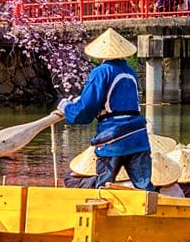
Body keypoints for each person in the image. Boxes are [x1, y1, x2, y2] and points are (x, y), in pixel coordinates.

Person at [61, 28, 153, 190]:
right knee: (144, 187)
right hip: (138, 135)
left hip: (113, 136)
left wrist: (67, 108)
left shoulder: (101, 72)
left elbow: (87, 107)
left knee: (104, 185)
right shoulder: (130, 72)